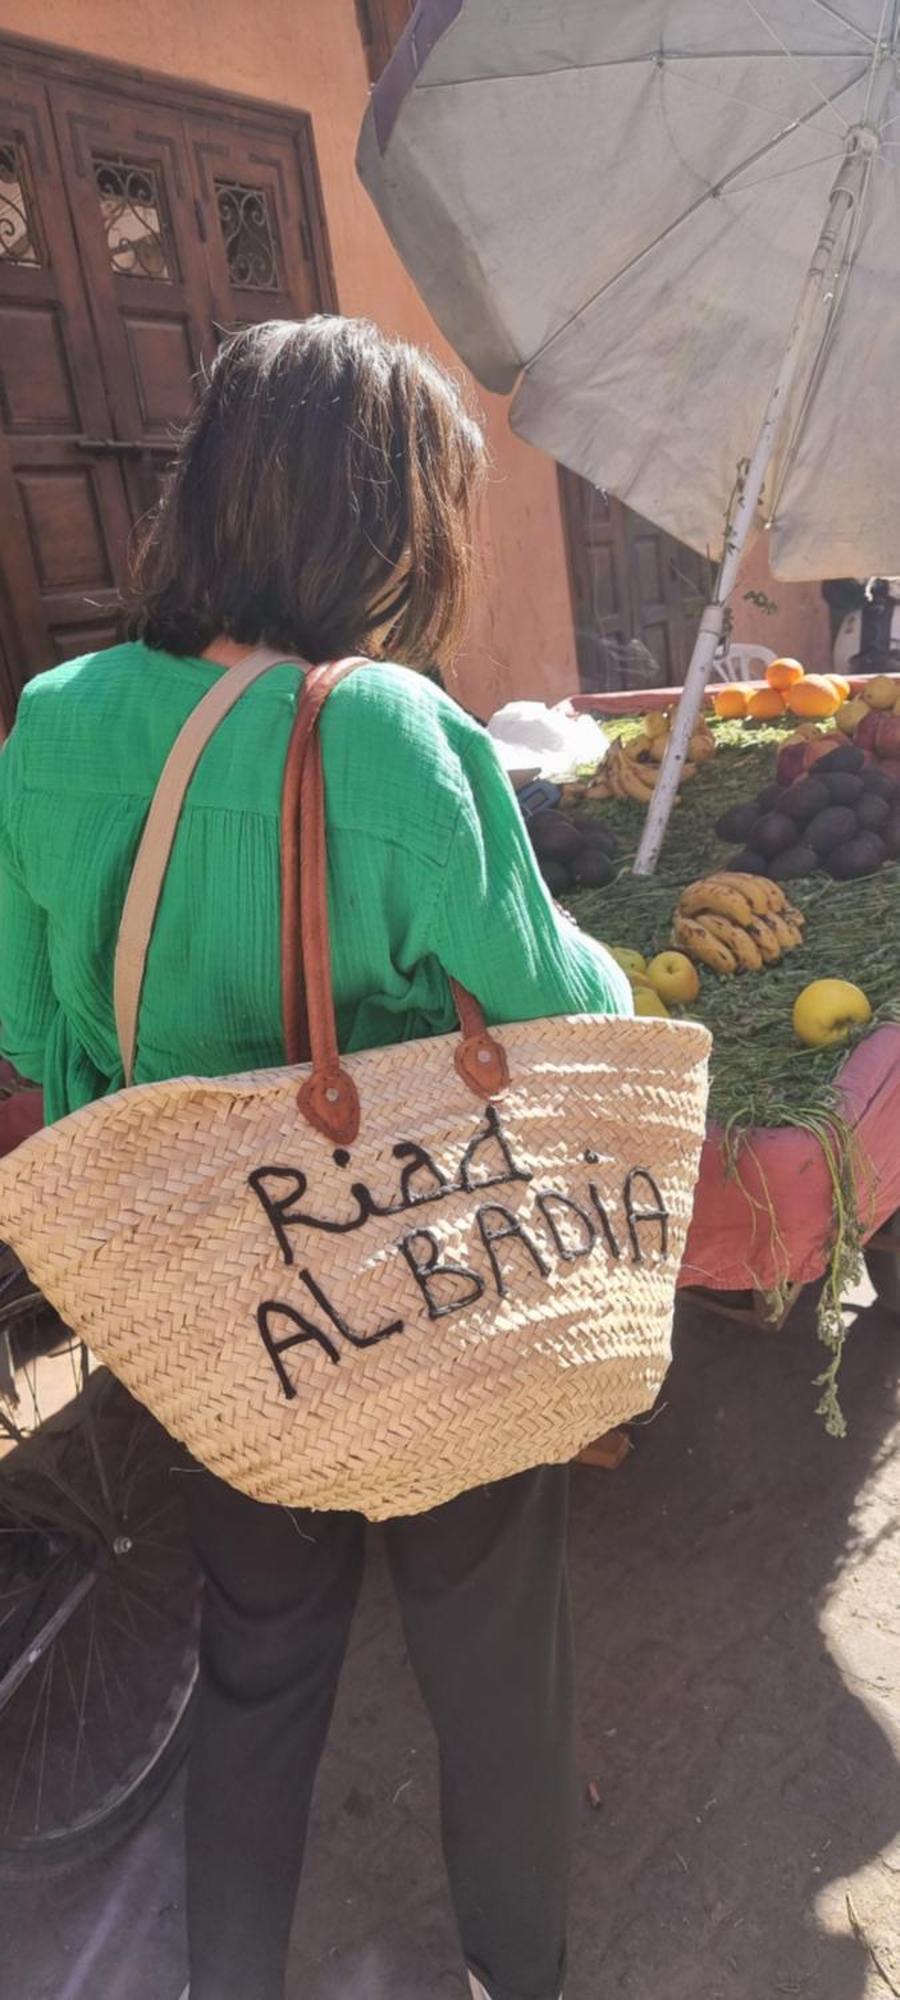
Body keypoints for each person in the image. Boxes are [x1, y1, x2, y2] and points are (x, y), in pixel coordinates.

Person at [0, 317, 630, 2000]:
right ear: (391, 527)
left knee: (258, 1661)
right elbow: (569, 1023)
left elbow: (34, 1027)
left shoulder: (53, 725)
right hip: (424, 1285)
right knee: (492, 1653)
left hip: (209, 1307)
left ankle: (230, 1977)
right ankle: (517, 1967)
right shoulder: (399, 741)